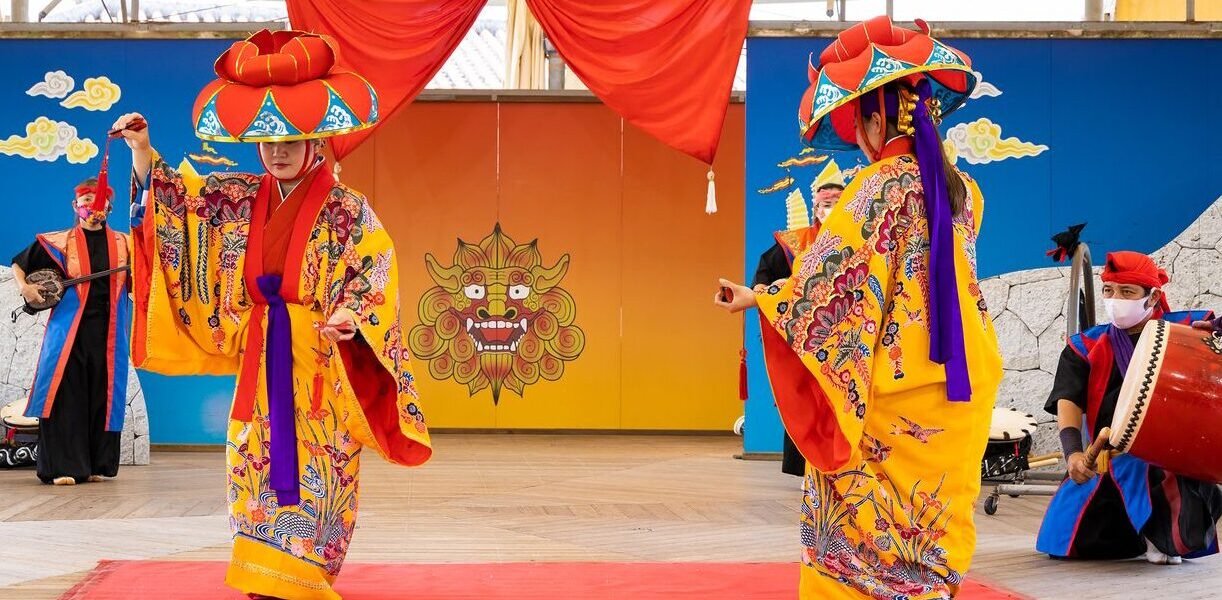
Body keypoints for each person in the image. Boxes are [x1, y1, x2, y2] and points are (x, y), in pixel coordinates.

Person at [117, 29, 432, 600]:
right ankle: (263, 576)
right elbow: (179, 208)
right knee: (253, 459)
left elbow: (374, 269)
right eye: (267, 143)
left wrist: (351, 314)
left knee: (324, 464)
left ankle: (309, 575)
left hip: (317, 362)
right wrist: (143, 149)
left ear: (315, 141)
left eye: (289, 140)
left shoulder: (346, 210)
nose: (277, 151)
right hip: (261, 359)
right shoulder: (238, 196)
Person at [716, 16, 1001, 599]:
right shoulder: (964, 192)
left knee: (859, 554)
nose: (859, 140)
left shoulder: (872, 191)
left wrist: (761, 298)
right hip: (959, 384)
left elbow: (827, 293)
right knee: (930, 540)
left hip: (892, 396)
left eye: (860, 125)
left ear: (877, 120)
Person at [1036, 251, 1222, 564]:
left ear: (1153, 297)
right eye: (1109, 290)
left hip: (1174, 461)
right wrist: (1074, 455)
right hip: (1109, 461)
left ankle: (1164, 534)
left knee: (1164, 481)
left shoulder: (1186, 332)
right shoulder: (1085, 346)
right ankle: (1147, 535)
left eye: (1127, 292)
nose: (1115, 299)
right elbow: (1068, 401)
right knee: (1068, 540)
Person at [10, 177, 130, 485]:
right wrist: (26, 289)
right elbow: (19, 263)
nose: (94, 207)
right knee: (66, 396)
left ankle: (94, 465)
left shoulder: (124, 243)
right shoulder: (60, 241)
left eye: (100, 201)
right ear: (75, 205)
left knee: (101, 396)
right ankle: (62, 467)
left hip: (108, 334)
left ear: (110, 207)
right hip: (67, 333)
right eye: (87, 201)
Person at [753, 163, 844, 478]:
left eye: (837, 203)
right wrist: (763, 290)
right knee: (807, 402)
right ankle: (805, 464)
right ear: (815, 206)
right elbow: (765, 276)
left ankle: (843, 466)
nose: (830, 209)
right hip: (806, 336)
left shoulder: (856, 241)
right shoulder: (796, 242)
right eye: (825, 204)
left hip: (847, 336)